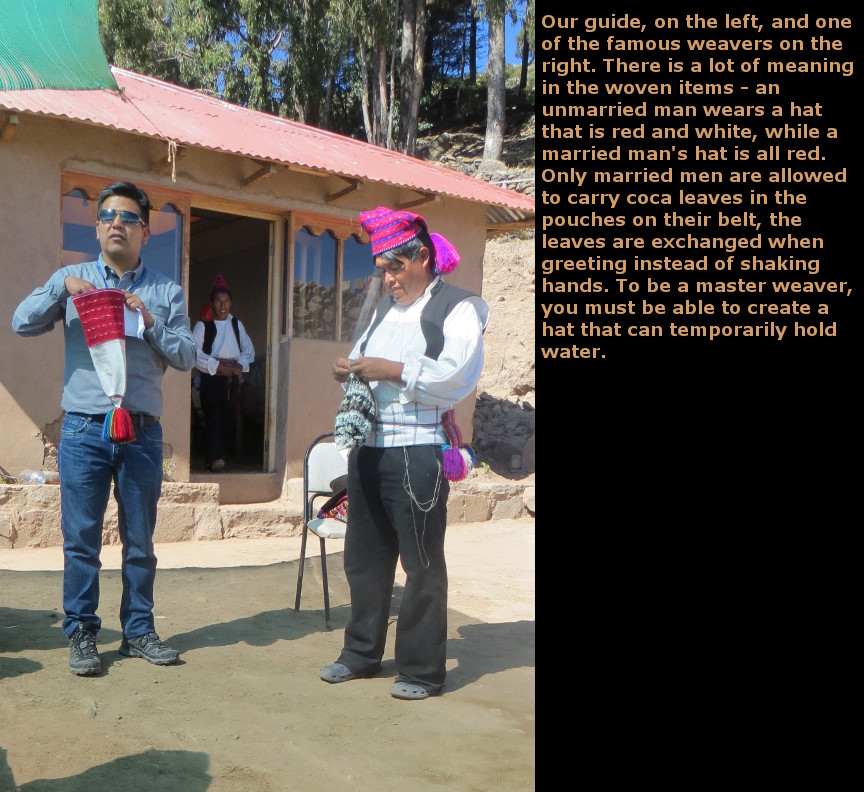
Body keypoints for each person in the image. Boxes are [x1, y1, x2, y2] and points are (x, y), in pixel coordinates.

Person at [12, 181, 196, 675]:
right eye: (109, 215)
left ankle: (138, 631)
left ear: (145, 231)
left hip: (141, 431)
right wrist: (60, 288)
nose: (118, 223)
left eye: (129, 217)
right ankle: (81, 634)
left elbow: (187, 356)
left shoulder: (165, 291)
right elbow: (21, 322)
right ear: (96, 227)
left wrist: (150, 321)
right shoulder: (72, 279)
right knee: (81, 540)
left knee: (140, 542)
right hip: (82, 430)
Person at [318, 206, 489, 700]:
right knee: (364, 560)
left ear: (422, 257)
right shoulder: (382, 311)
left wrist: (391, 369)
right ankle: (360, 653)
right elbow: (365, 364)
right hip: (370, 449)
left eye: (395, 267)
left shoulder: (458, 308)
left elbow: (456, 375)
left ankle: (420, 670)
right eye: (382, 269)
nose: (388, 279)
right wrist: (350, 369)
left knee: (421, 564)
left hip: (417, 451)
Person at [191, 275, 255, 472]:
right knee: (214, 416)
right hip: (212, 378)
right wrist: (217, 366)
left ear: (231, 303)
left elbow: (249, 351)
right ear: (212, 303)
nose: (222, 305)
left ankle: (215, 456)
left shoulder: (236, 324)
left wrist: (240, 366)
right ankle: (216, 458)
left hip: (232, 379)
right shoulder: (203, 325)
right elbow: (194, 352)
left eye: (226, 301)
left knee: (228, 419)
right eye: (218, 301)